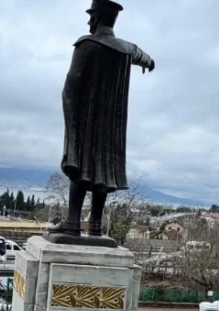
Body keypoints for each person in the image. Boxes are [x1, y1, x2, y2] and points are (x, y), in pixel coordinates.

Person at [46, 0, 155, 242]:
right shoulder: (126, 48)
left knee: (81, 164)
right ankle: (95, 225)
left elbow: (72, 84)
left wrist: (70, 118)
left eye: (90, 17)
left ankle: (73, 223)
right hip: (112, 127)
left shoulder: (87, 44)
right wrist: (149, 62)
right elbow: (143, 56)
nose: (88, 21)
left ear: (95, 18)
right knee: (104, 170)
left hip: (88, 120)